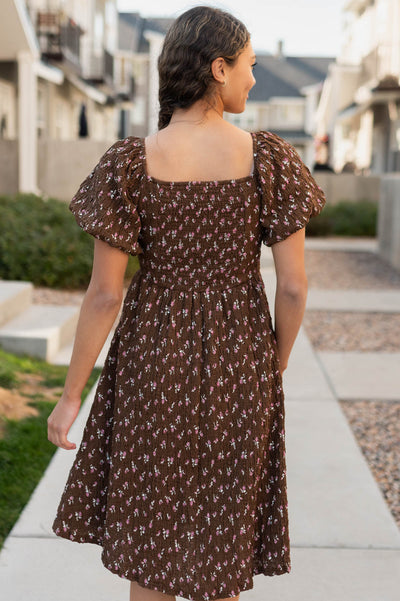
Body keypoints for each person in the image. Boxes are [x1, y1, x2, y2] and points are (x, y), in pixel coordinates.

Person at [48, 6, 326, 601]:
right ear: (219, 69)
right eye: (249, 66)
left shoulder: (128, 164)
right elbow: (295, 287)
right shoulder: (269, 161)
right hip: (239, 366)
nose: (254, 79)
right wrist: (270, 365)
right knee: (222, 552)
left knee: (153, 556)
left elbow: (104, 295)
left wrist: (70, 397)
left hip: (152, 367)